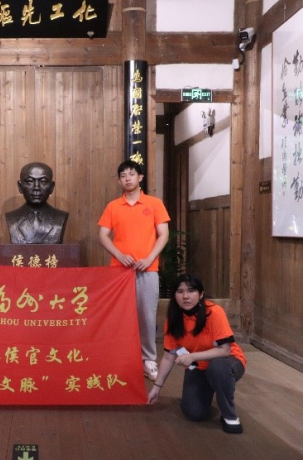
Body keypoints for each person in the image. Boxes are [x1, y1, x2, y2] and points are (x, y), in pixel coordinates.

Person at [147, 274, 247, 434]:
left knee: (217, 368)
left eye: (191, 291)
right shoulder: (173, 320)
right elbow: (168, 357)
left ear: (201, 294)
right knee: (194, 413)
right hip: (198, 368)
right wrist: (156, 388)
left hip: (228, 361)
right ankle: (206, 388)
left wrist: (192, 357)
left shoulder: (214, 312)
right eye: (180, 291)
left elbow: (225, 350)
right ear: (174, 296)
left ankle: (229, 415)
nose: (185, 296)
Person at [98, 160, 170, 381]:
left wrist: (149, 259)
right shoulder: (113, 206)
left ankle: (148, 360)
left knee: (147, 315)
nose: (127, 178)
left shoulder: (154, 203)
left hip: (148, 269)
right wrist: (119, 255)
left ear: (140, 178)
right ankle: (121, 358)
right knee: (119, 315)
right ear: (119, 181)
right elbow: (103, 235)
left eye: (131, 174)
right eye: (123, 175)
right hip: (119, 272)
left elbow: (164, 234)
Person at [5, 162, 69, 244]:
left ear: (52, 187)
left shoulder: (59, 218)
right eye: (29, 181)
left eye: (43, 181)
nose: (36, 187)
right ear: (20, 187)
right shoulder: (12, 218)